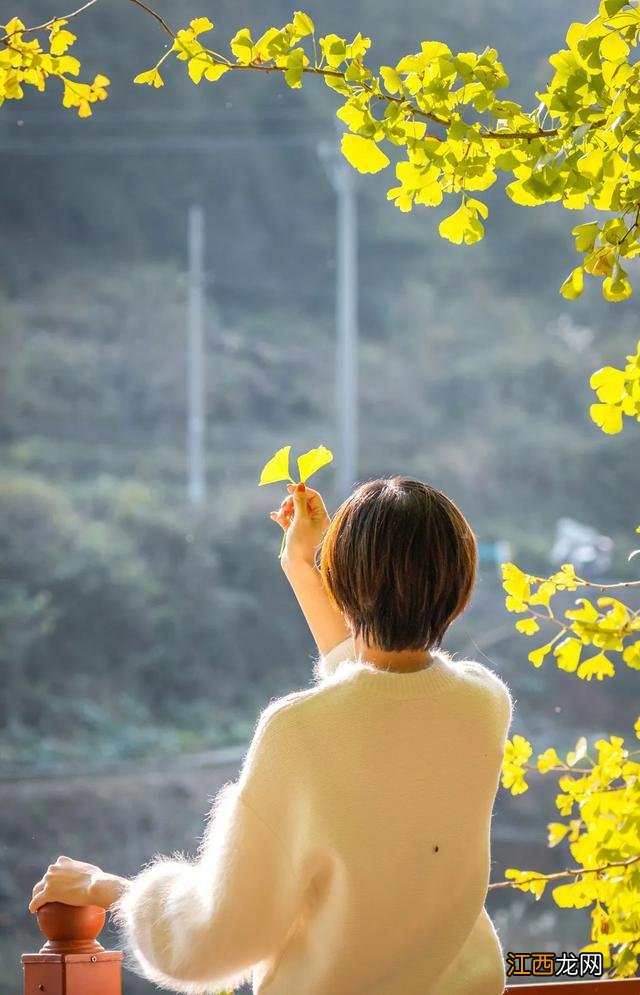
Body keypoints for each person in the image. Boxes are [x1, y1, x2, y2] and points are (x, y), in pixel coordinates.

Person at [29, 476, 514, 995]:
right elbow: (383, 697)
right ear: (460, 586)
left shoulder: (298, 732)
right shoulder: (484, 705)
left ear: (345, 583)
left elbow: (212, 939)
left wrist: (104, 889)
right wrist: (301, 568)